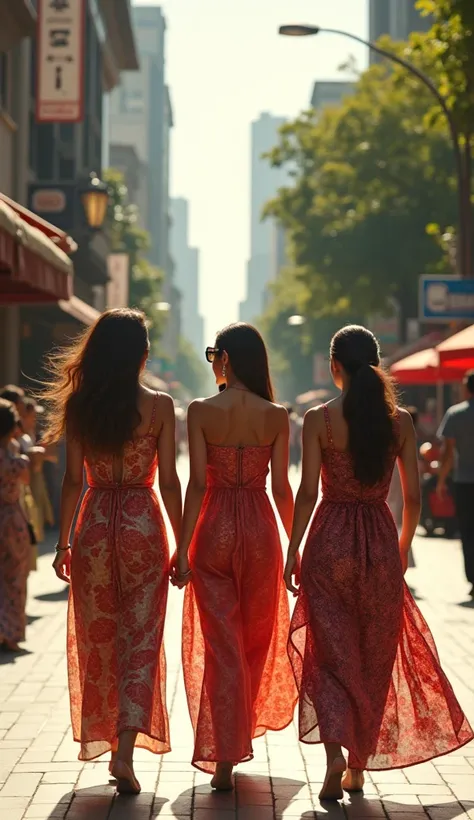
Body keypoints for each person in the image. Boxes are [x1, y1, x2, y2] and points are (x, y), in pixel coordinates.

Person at [284, 325, 473, 802]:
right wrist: (403, 548)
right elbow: (412, 498)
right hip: (378, 543)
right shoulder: (400, 423)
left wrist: (293, 547)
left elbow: (307, 492)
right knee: (372, 654)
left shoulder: (317, 420)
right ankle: (358, 767)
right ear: (376, 365)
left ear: (335, 368)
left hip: (328, 542)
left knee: (329, 657)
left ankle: (333, 755)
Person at [42, 308, 182, 795]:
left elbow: (72, 479)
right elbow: (169, 481)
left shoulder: (82, 405)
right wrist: (183, 545)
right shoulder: (161, 407)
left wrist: (63, 541)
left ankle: (105, 734)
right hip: (144, 525)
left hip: (96, 526)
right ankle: (124, 752)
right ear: (143, 356)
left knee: (100, 640)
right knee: (141, 641)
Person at [172, 323, 297, 790]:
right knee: (253, 640)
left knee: (221, 645)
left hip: (214, 528)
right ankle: (236, 739)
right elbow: (282, 487)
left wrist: (181, 547)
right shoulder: (277, 414)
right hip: (262, 530)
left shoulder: (201, 410)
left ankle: (224, 752)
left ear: (225, 358)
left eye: (213, 355)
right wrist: (295, 544)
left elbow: (198, 483)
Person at [437, 370, 474, 596]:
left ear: (467, 388)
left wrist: (441, 481)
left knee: (467, 531)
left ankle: (473, 579)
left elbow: (448, 453)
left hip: (464, 482)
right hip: (463, 481)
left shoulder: (456, 414)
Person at [0, 399, 31, 651]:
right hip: (11, 520)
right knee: (14, 580)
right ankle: (9, 633)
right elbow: (26, 477)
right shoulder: (14, 455)